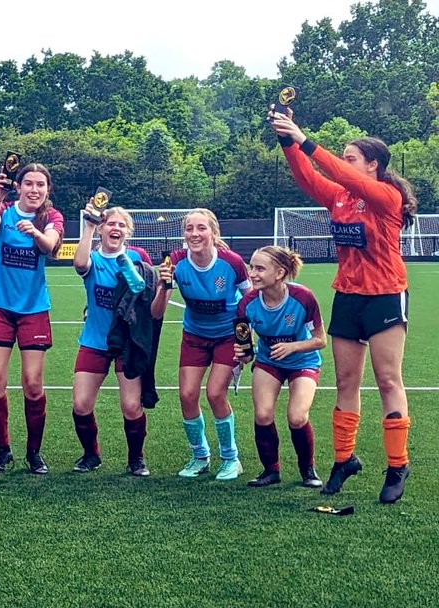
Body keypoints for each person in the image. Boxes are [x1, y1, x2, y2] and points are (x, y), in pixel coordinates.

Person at [272, 109, 416, 503]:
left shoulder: (387, 195)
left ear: (373, 165)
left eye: (351, 156)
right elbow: (307, 177)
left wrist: (306, 140)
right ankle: (344, 460)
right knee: (346, 382)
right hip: (349, 296)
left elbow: (340, 173)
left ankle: (397, 465)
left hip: (385, 294)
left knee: (388, 381)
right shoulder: (340, 197)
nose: (345, 161)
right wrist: (288, 140)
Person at [71, 206, 168, 477]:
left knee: (131, 405)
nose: (115, 228)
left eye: (121, 225)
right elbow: (79, 265)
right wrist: (89, 225)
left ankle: (136, 459)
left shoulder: (138, 257)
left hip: (129, 342)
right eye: (110, 223)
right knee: (81, 404)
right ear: (102, 228)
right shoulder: (92, 257)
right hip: (95, 340)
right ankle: (91, 455)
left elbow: (149, 300)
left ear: (128, 231)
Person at [0, 164, 63, 474]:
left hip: (34, 309)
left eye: (40, 185)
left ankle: (33, 452)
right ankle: (2, 451)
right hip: (0, 307)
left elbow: (51, 245)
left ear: (47, 190)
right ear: (19, 186)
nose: (34, 189)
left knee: (32, 384)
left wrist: (36, 231)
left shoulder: (51, 217)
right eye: (29, 183)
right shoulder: (5, 209)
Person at [162, 209, 250, 481]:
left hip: (227, 335)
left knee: (214, 394)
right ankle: (200, 456)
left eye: (201, 228)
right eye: (189, 228)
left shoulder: (232, 262)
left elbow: (249, 301)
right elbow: (157, 310)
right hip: (195, 335)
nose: (194, 234)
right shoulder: (175, 261)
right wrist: (163, 284)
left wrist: (246, 345)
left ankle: (230, 458)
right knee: (187, 395)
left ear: (213, 233)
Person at [234, 246, 325, 488]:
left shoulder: (303, 297)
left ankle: (308, 471)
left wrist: (293, 347)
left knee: (297, 417)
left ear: (280, 273)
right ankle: (270, 471)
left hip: (303, 360)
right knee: (263, 414)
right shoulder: (246, 303)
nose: (252, 274)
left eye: (259, 268)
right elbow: (243, 348)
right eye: (251, 267)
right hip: (268, 361)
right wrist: (242, 355)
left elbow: (320, 340)